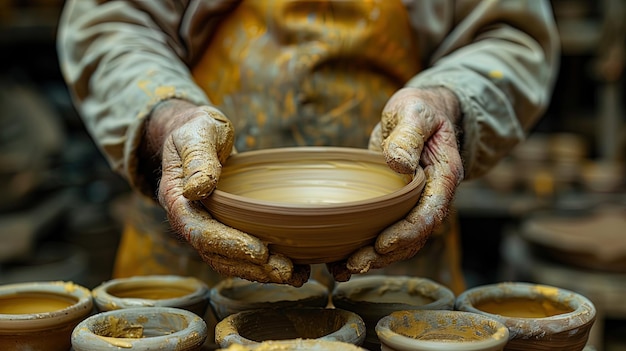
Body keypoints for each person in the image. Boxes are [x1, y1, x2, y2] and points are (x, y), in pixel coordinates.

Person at [57, 0, 559, 293]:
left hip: (397, 254)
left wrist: (446, 102)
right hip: (190, 243)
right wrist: (168, 121)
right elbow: (110, 25)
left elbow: (510, 37)